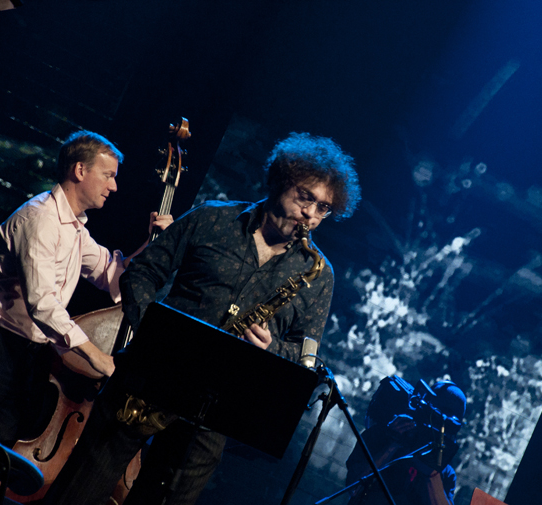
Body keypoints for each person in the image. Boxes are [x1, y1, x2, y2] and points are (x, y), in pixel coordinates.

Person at [43, 131, 361, 505]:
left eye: (323, 208)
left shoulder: (318, 274)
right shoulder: (212, 218)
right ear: (280, 181)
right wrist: (151, 336)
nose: (311, 214)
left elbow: (306, 356)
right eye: (306, 197)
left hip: (215, 412)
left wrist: (272, 348)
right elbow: (143, 272)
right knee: (77, 494)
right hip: (149, 379)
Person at [0, 131, 172, 447]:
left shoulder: (74, 228)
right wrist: (98, 358)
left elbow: (112, 274)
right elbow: (43, 304)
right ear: (80, 170)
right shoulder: (40, 219)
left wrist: (154, 244)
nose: (114, 186)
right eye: (108, 175)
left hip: (30, 356)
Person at [345, 376, 467, 505]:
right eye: (432, 419)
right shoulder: (380, 435)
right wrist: (392, 444)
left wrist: (432, 471)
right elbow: (353, 487)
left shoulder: (444, 473)